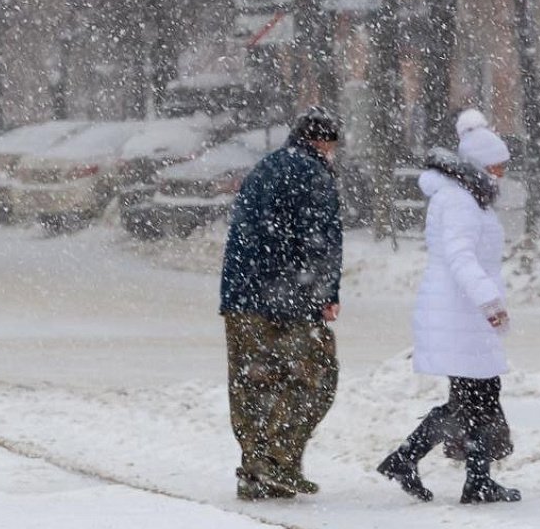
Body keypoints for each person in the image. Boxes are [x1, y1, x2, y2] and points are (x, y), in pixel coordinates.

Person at [378, 109, 520, 504]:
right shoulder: (460, 201)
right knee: (478, 395)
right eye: (496, 165)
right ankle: (469, 478)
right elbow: (461, 258)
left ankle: (417, 462)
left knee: (474, 396)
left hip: (463, 314)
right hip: (461, 312)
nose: (501, 172)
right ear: (477, 165)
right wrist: (488, 301)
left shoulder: (470, 197)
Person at [220, 106, 343, 500]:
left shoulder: (265, 167)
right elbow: (320, 241)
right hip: (287, 297)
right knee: (317, 373)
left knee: (252, 382)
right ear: (323, 142)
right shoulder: (313, 174)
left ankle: (255, 471)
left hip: (241, 296)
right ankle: (276, 460)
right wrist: (324, 295)